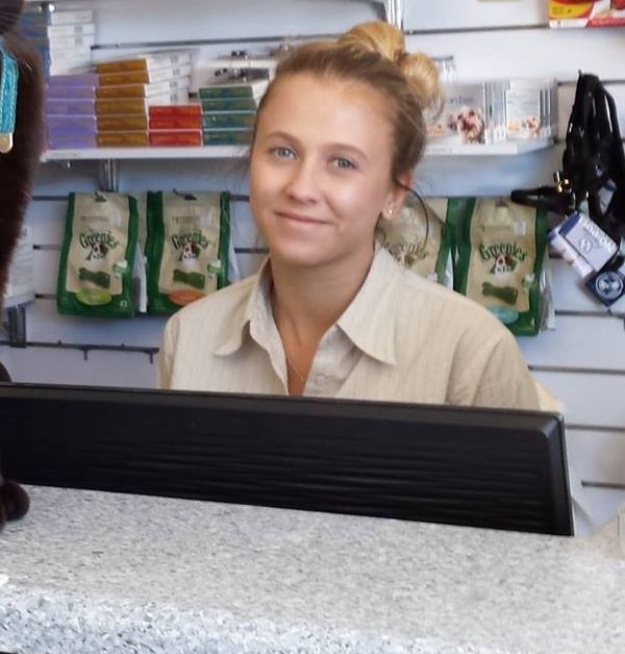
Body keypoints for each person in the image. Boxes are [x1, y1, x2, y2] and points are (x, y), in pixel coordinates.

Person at [157, 22, 540, 409]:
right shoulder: (189, 338)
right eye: (283, 152)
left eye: (342, 162)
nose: (301, 188)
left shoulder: (471, 354)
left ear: (395, 192)